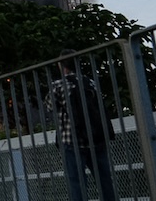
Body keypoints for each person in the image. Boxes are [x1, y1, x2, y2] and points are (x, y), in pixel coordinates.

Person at [50, 49, 117, 201]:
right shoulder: (90, 82)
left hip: (72, 140)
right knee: (104, 181)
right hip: (96, 138)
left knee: (77, 183)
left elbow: (49, 106)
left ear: (61, 65)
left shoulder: (58, 85)